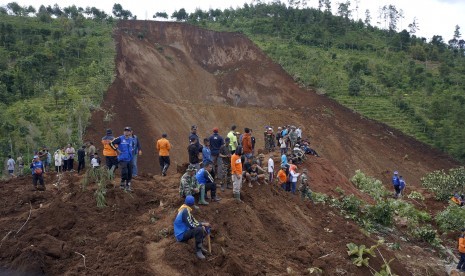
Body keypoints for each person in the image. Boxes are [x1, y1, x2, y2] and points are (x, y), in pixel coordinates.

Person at [173, 195, 210, 260]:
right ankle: (198, 250)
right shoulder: (185, 211)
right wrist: (201, 226)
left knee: (201, 227)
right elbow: (191, 225)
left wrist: (202, 224)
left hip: (183, 231)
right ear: (192, 204)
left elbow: (194, 221)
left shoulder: (185, 208)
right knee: (199, 230)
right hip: (181, 235)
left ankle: (200, 246)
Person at [110, 127, 135, 191]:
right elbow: (111, 143)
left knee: (130, 172)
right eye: (125, 131)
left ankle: (128, 186)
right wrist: (117, 149)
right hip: (122, 158)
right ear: (124, 132)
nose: (126, 132)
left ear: (130, 132)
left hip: (130, 158)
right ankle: (122, 184)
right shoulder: (120, 138)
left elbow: (133, 146)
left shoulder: (131, 140)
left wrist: (132, 151)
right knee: (125, 172)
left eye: (127, 131)